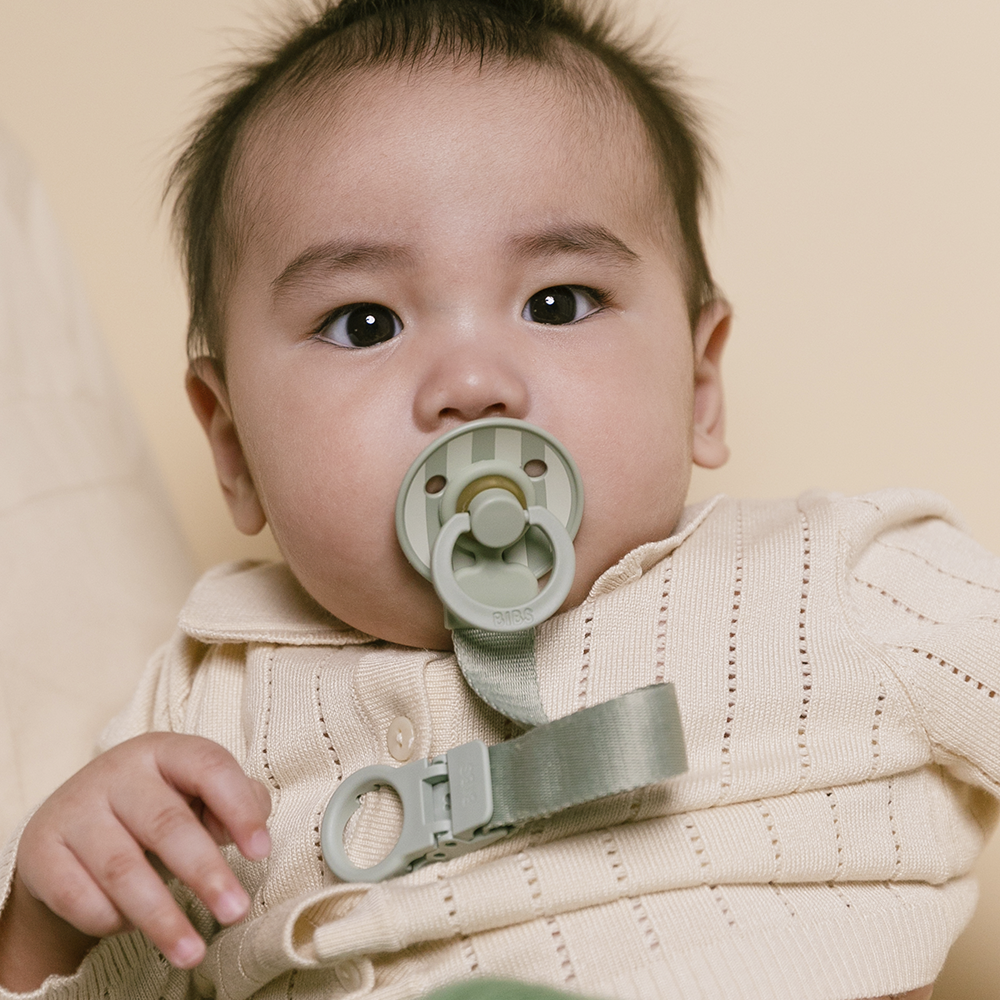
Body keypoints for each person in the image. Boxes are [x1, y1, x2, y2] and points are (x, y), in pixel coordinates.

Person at [0, 0, 994, 996]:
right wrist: (45, 926)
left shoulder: (845, 579)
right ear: (233, 445)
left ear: (698, 384)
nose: (472, 381)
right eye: (363, 321)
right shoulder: (199, 706)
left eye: (558, 303)